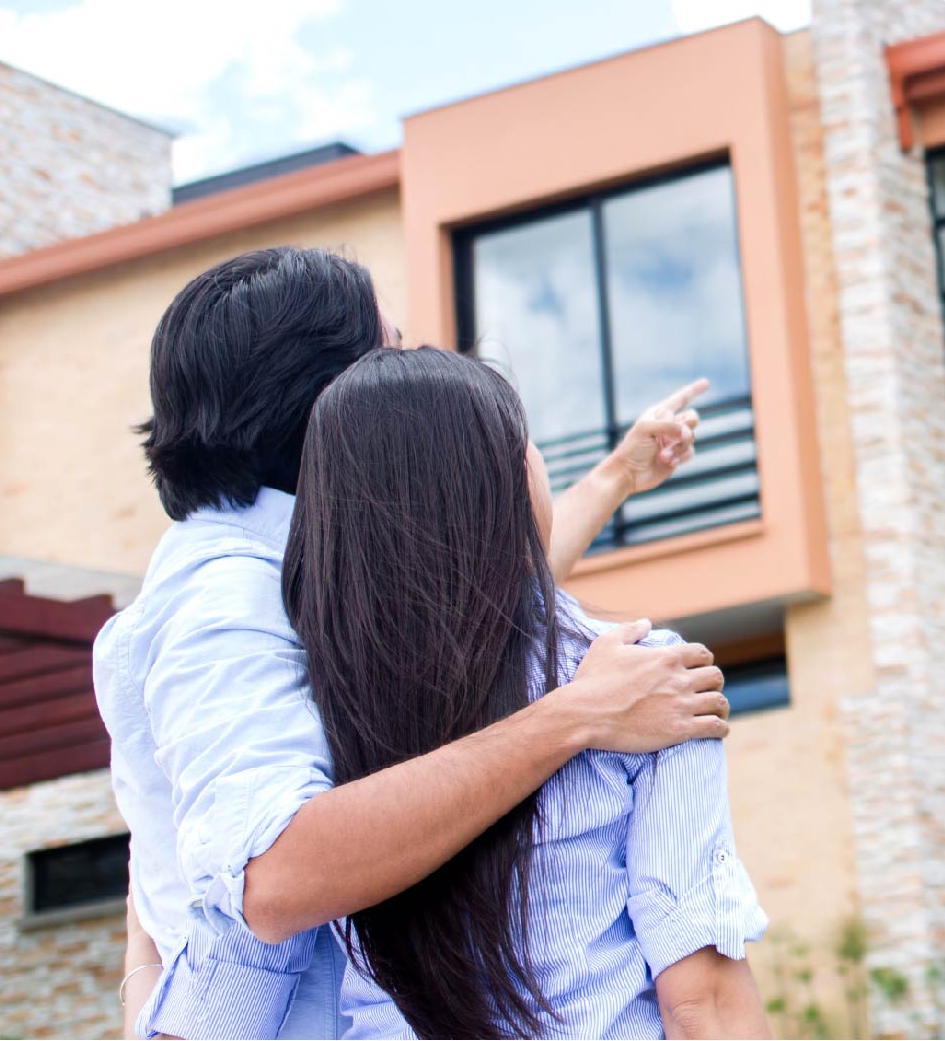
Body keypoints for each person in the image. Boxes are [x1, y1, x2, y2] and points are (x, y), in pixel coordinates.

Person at [96, 247, 730, 1038]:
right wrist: (575, 716)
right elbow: (275, 877)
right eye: (391, 350)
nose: (414, 375)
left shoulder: (307, 555)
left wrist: (615, 478)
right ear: (332, 401)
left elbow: (477, 605)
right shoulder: (223, 600)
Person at [288, 347, 771, 1039]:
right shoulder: (644, 681)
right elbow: (704, 1000)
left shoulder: (308, 705)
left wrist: (617, 474)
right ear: (506, 480)